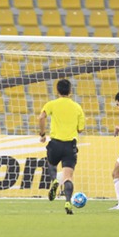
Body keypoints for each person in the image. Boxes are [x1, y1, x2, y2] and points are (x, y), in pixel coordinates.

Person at [38, 79, 85, 215]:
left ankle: (54, 181)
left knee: (51, 162)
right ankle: (68, 201)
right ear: (70, 91)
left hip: (55, 143)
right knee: (68, 177)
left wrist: (42, 134)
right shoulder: (77, 107)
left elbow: (41, 117)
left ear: (57, 91)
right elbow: (80, 129)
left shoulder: (51, 104)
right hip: (70, 145)